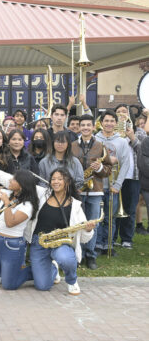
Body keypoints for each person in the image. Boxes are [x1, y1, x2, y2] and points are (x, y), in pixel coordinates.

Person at [0, 166, 95, 295]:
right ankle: (53, 269)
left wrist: (88, 230)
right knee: (42, 286)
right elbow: (17, 181)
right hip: (39, 242)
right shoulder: (42, 193)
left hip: (60, 242)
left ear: (68, 182)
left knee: (65, 258)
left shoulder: (75, 205)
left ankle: (71, 281)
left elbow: (84, 238)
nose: (55, 181)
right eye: (53, 179)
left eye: (60, 179)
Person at [71, 114, 112, 270]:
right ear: (79, 127)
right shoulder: (73, 145)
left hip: (95, 191)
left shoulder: (101, 146)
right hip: (77, 191)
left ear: (93, 127)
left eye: (89, 125)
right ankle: (77, 255)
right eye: (83, 125)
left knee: (92, 224)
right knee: (76, 223)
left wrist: (100, 168)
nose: (86, 128)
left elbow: (108, 169)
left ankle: (91, 255)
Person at [94, 110, 131, 255]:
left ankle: (108, 245)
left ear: (116, 123)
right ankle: (97, 244)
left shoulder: (121, 141)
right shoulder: (94, 139)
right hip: (97, 185)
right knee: (97, 217)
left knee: (110, 218)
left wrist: (118, 185)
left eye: (111, 121)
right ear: (101, 123)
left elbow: (126, 164)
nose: (109, 123)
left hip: (112, 186)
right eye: (106, 121)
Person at [114, 104, 140, 249]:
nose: (121, 114)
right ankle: (112, 237)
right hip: (116, 176)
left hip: (132, 176)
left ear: (130, 114)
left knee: (129, 209)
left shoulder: (139, 132)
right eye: (118, 112)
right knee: (115, 207)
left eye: (124, 112)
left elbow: (142, 151)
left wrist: (132, 137)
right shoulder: (112, 133)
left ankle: (127, 238)